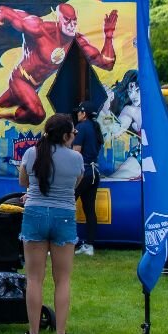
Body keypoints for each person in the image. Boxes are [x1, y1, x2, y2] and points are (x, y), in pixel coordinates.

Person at [17, 113, 82, 334]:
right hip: (64, 216)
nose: (74, 136)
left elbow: (23, 182)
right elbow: (75, 184)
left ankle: (33, 333)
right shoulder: (76, 158)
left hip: (34, 214)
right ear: (65, 135)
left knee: (34, 278)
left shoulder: (31, 153)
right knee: (62, 279)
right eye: (73, 133)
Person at [73, 106, 104, 254]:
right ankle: (90, 245)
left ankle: (67, 242)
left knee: (66, 205)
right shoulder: (95, 127)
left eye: (78, 112)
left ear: (84, 113)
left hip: (83, 172)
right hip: (94, 172)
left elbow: (76, 152)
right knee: (89, 209)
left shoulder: (81, 127)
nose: (77, 114)